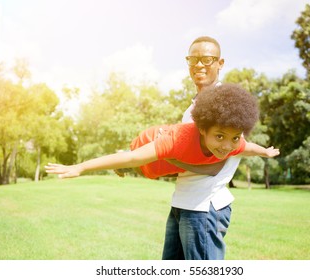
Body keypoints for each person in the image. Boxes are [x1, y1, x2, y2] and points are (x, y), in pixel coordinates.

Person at [45, 83, 279, 180]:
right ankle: (123, 162)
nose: (227, 146)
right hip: (150, 140)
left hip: (160, 165)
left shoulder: (233, 143)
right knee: (136, 158)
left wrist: (265, 153)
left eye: (234, 138)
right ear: (202, 129)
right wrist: (81, 167)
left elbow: (247, 147)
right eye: (219, 136)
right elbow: (133, 156)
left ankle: (131, 167)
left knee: (147, 168)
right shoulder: (178, 141)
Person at [161, 36, 248, 260]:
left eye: (207, 59)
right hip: (182, 202)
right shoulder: (192, 108)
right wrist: (146, 163)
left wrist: (168, 157)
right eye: (193, 59)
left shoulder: (228, 103)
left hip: (204, 208)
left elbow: (215, 166)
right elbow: (186, 157)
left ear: (220, 63)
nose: (199, 65)